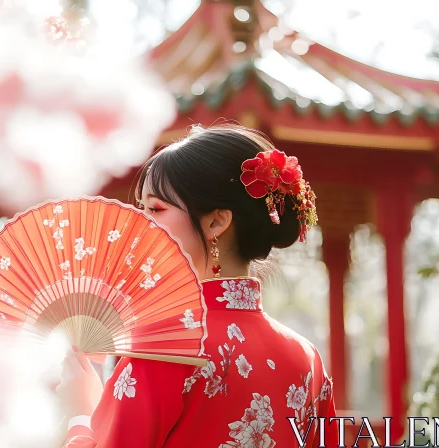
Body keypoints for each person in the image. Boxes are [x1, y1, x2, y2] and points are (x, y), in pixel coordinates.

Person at [57, 124, 339, 448]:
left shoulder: (165, 348)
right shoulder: (306, 358)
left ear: (216, 222)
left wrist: (80, 414)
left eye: (155, 209)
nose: (140, 223)